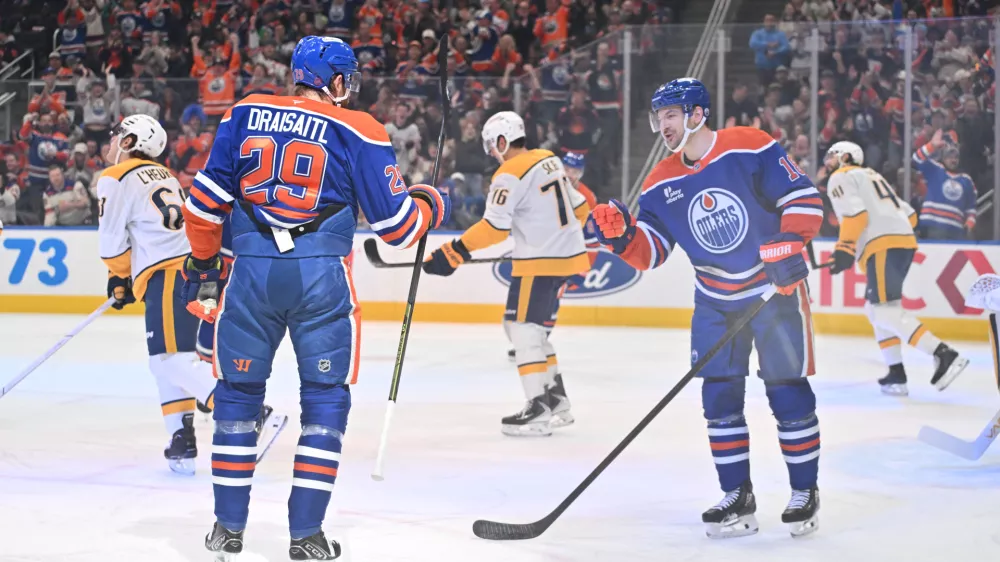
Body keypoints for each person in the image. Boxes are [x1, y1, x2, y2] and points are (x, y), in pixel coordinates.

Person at [180, 36, 450, 560]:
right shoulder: (360, 128)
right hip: (321, 281)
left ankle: (226, 528)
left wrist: (206, 264)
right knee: (324, 405)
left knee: (236, 398)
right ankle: (306, 536)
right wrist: (430, 204)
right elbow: (397, 228)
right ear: (338, 80)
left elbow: (204, 204)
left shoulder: (245, 111)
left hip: (250, 278)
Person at [590, 78, 822, 538]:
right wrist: (622, 239)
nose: (663, 125)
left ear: (697, 113)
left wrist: (787, 241)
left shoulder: (750, 146)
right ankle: (738, 494)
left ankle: (804, 492)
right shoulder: (660, 182)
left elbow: (804, 199)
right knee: (718, 398)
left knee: (786, 391)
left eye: (671, 114)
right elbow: (653, 250)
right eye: (659, 117)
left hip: (770, 294)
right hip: (715, 303)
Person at [423, 111, 589, 437]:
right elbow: (580, 208)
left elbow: (495, 228)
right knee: (531, 331)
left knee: (523, 330)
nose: (491, 154)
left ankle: (538, 408)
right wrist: (546, 233)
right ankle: (556, 401)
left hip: (538, 263)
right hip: (560, 258)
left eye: (491, 146)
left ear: (501, 141)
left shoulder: (508, 172)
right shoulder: (549, 159)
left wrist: (453, 252)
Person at [96, 114, 239, 477]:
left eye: (117, 136)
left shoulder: (114, 177)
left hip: (169, 274)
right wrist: (123, 279)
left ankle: (244, 412)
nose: (111, 142)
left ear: (129, 142)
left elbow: (112, 243)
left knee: (170, 361)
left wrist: (119, 274)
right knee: (166, 361)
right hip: (188, 270)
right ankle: (181, 439)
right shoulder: (167, 175)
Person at [824, 141, 969, 395]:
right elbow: (911, 215)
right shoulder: (873, 176)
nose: (828, 161)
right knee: (876, 308)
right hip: (901, 242)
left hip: (882, 244)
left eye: (832, 155)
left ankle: (943, 353)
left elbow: (855, 216)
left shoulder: (840, 177)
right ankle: (896, 373)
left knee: (883, 311)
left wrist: (845, 247)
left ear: (846, 157)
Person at [913, 129, 977, 240]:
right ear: (943, 158)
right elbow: (916, 159)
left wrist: (969, 225)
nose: (953, 160)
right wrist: (931, 146)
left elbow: (971, 209)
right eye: (950, 157)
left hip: (956, 231)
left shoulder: (967, 180)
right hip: (931, 226)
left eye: (956, 157)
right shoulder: (935, 169)